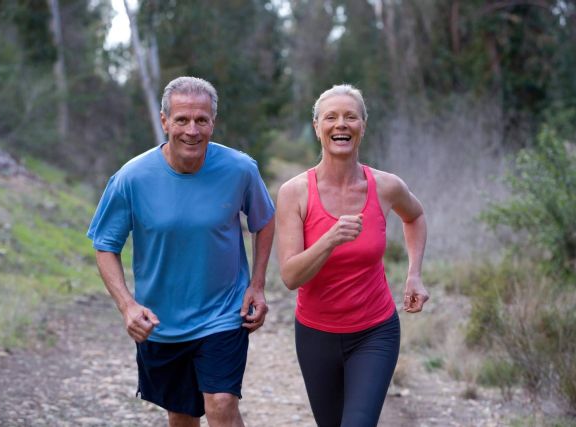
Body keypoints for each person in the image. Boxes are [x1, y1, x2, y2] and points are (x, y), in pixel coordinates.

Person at [87, 76, 275, 427]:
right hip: (162, 321)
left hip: (224, 312)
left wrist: (258, 284)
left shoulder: (240, 170)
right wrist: (128, 306)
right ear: (164, 121)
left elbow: (263, 220)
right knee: (182, 415)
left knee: (221, 403)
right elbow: (105, 244)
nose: (192, 130)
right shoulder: (132, 177)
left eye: (202, 120)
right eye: (182, 120)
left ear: (213, 123)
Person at [276, 84, 429, 427]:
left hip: (375, 331)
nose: (340, 124)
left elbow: (415, 216)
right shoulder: (295, 193)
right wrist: (329, 240)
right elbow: (290, 276)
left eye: (350, 117)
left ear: (363, 126)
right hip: (316, 334)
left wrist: (414, 274)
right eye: (330, 117)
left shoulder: (386, 186)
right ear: (317, 127)